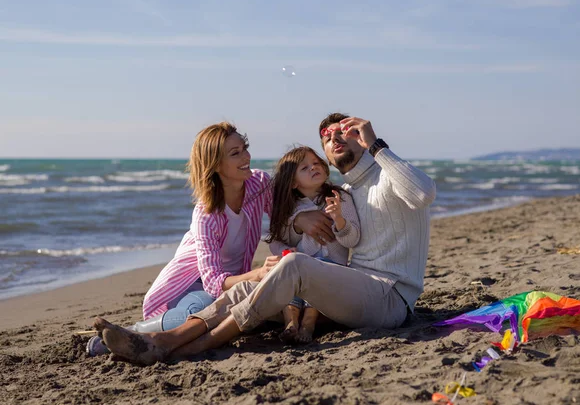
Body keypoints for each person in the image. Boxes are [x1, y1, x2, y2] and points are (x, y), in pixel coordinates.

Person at [93, 114, 436, 365]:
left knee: (293, 265)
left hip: (392, 297)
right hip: (354, 292)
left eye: (345, 131)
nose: (335, 138)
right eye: (327, 137)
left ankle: (191, 347)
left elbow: (423, 194)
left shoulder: (388, 173)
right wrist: (299, 222)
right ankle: (162, 340)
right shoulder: (342, 193)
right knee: (246, 288)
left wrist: (375, 144)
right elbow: (287, 223)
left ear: (360, 137)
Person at [87, 122, 277, 356]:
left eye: (244, 148)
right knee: (206, 306)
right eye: (235, 153)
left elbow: (282, 215)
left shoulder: (259, 183)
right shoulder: (207, 213)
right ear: (215, 164)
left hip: (233, 285)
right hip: (189, 286)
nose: (246, 156)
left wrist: (305, 218)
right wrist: (257, 274)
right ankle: (130, 334)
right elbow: (213, 282)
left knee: (233, 309)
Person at [266, 146, 360, 343]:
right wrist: (291, 240)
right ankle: (291, 324)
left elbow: (353, 240)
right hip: (302, 269)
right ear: (292, 182)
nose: (313, 168)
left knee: (319, 276)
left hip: (332, 268)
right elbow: (280, 238)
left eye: (316, 163)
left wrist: (339, 220)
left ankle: (308, 325)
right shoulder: (290, 208)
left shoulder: (341, 198)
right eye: (304, 167)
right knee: (290, 281)